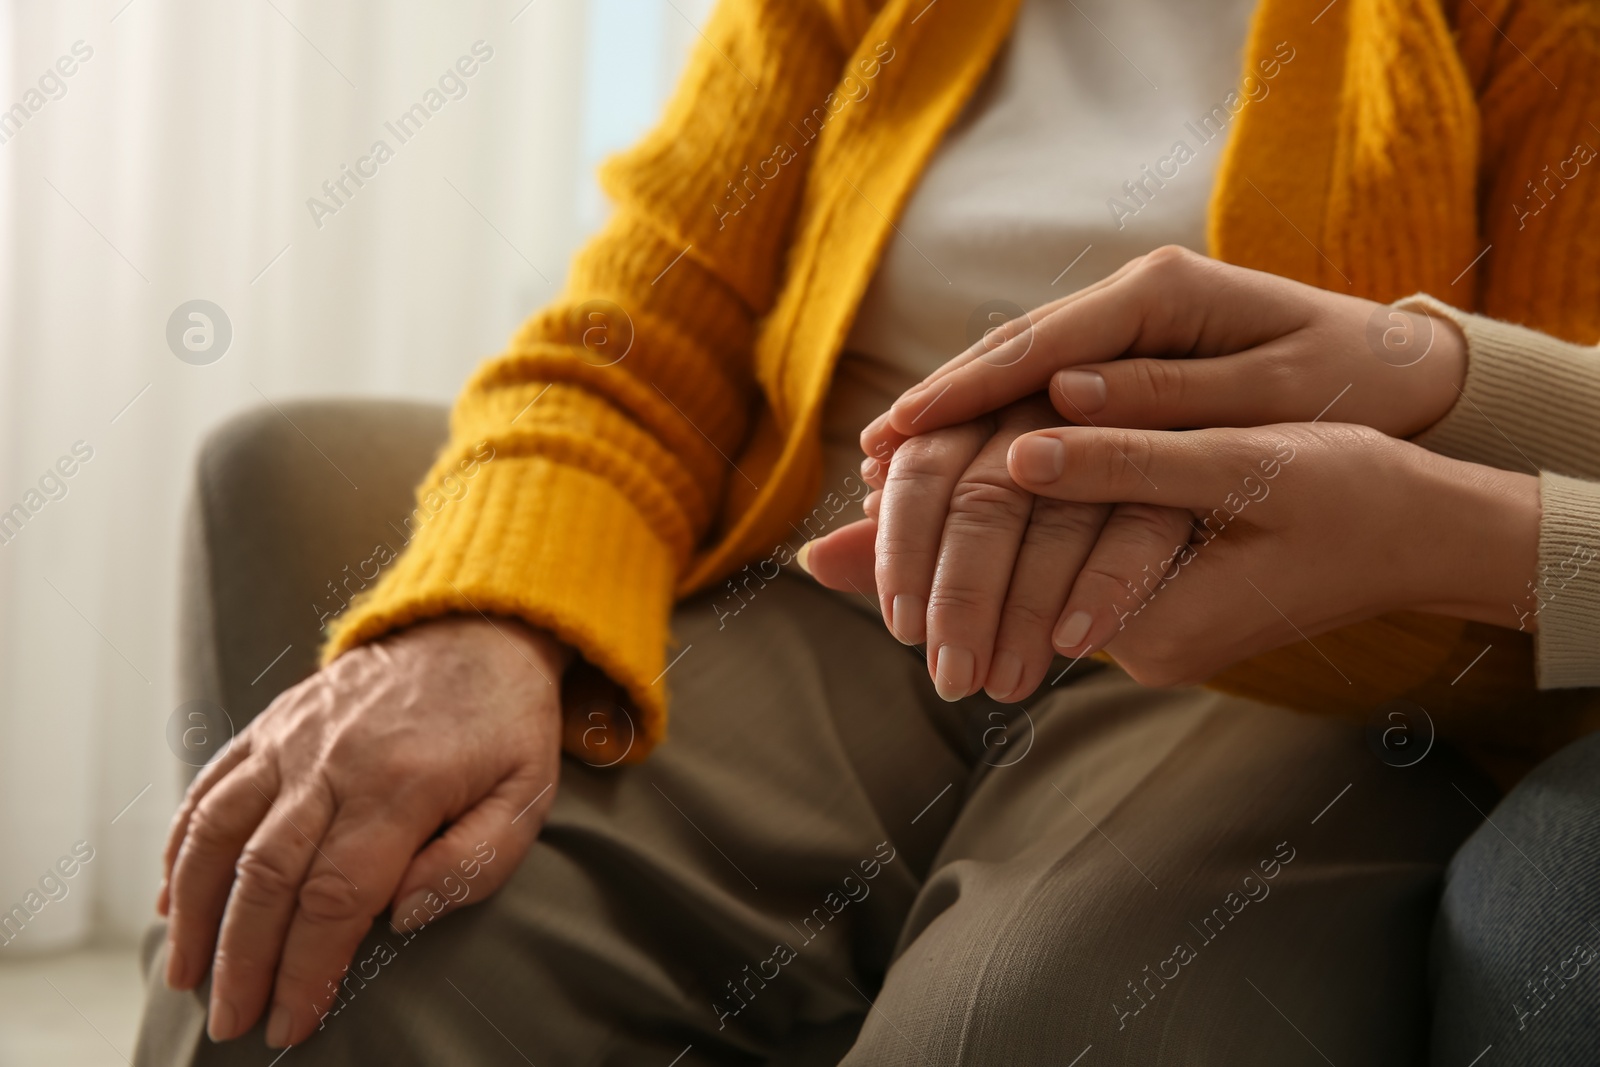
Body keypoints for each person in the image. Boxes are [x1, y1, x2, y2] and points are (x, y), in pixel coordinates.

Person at [134, 0, 1600, 1062]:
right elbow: (635, 338)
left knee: (1047, 1031)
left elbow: (1548, 445)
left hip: (1296, 658)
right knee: (320, 956)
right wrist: (478, 614)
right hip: (830, 592)